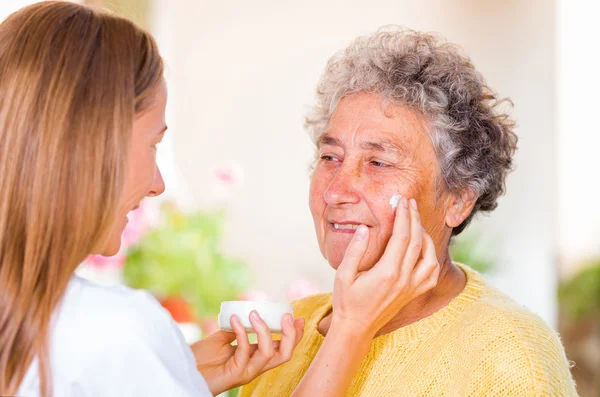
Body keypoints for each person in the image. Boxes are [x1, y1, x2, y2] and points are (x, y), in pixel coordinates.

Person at [0, 3, 440, 396]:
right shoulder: (116, 333)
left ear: (457, 199)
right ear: (94, 146)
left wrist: (178, 375)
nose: (158, 184)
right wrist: (351, 330)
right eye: (154, 144)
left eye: (379, 163)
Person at [240, 28, 578, 396]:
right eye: (329, 157)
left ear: (458, 200)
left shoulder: (510, 356)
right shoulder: (286, 333)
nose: (336, 190)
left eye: (379, 163)